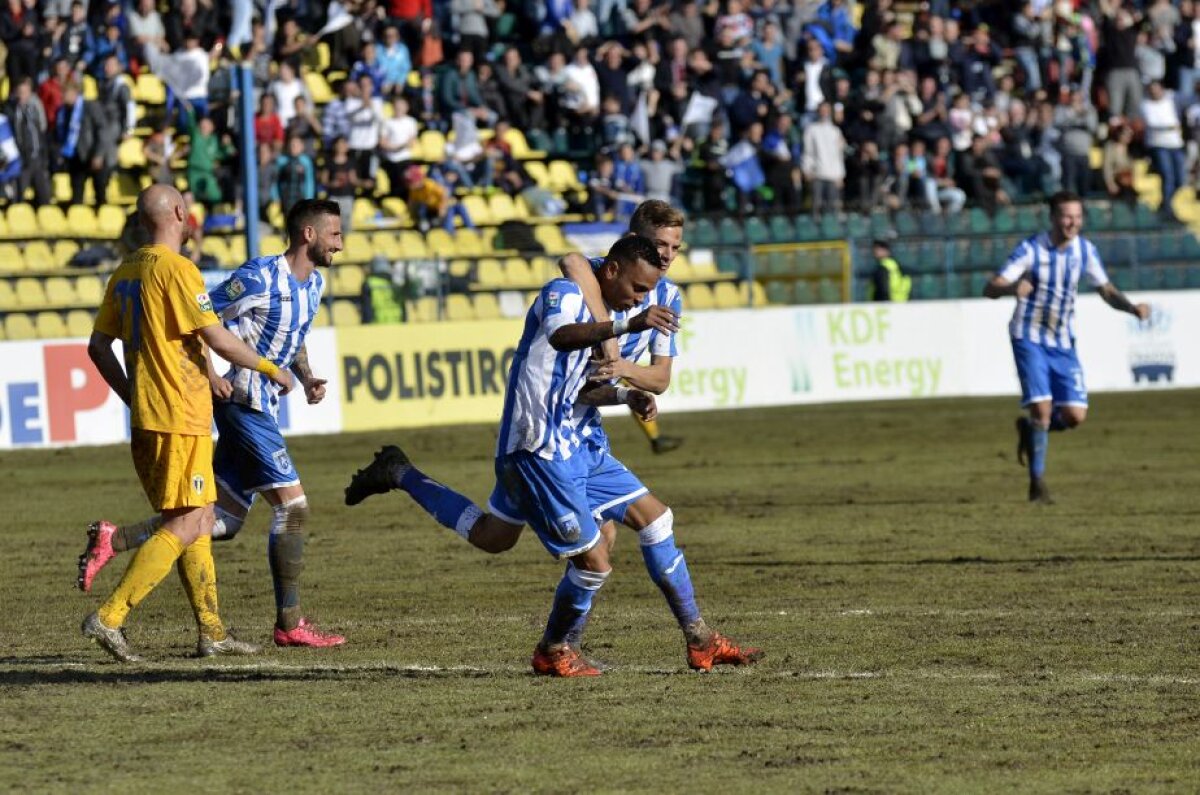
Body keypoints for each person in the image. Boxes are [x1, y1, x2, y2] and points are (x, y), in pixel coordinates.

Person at [344, 235, 761, 676]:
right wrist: (627, 325)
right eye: (637, 289)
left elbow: (578, 386)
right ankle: (554, 649)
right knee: (594, 560)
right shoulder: (562, 294)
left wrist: (625, 397)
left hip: (573, 442)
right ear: (613, 270)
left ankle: (699, 638)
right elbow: (561, 337)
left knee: (632, 521)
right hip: (536, 448)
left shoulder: (607, 312)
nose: (639, 299)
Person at [79, 199, 347, 649]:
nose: (341, 244)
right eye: (336, 234)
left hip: (215, 406)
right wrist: (227, 372)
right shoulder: (251, 276)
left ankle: (197, 617)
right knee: (293, 507)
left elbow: (293, 337)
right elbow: (208, 324)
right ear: (309, 235)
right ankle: (289, 621)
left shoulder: (314, 284)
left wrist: (303, 375)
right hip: (235, 402)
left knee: (211, 518)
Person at [983, 191, 1150, 504]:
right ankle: (1037, 484)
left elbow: (1106, 289)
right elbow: (990, 287)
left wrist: (1131, 308)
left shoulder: (1085, 251)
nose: (1072, 222)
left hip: (1063, 342)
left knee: (1075, 416)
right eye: (1066, 216)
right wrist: (1010, 288)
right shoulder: (1031, 249)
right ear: (1053, 218)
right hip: (1028, 336)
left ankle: (1031, 430)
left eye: (1077, 216)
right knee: (1043, 408)